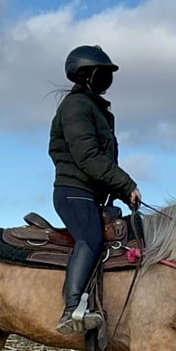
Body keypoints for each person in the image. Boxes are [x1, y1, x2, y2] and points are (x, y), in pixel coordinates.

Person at [49, 44, 143, 334]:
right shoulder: (77, 106)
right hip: (73, 191)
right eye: (103, 73)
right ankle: (71, 310)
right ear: (86, 74)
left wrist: (119, 192)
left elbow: (100, 160)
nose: (107, 79)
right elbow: (88, 157)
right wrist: (126, 183)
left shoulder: (95, 109)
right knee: (90, 238)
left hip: (90, 192)